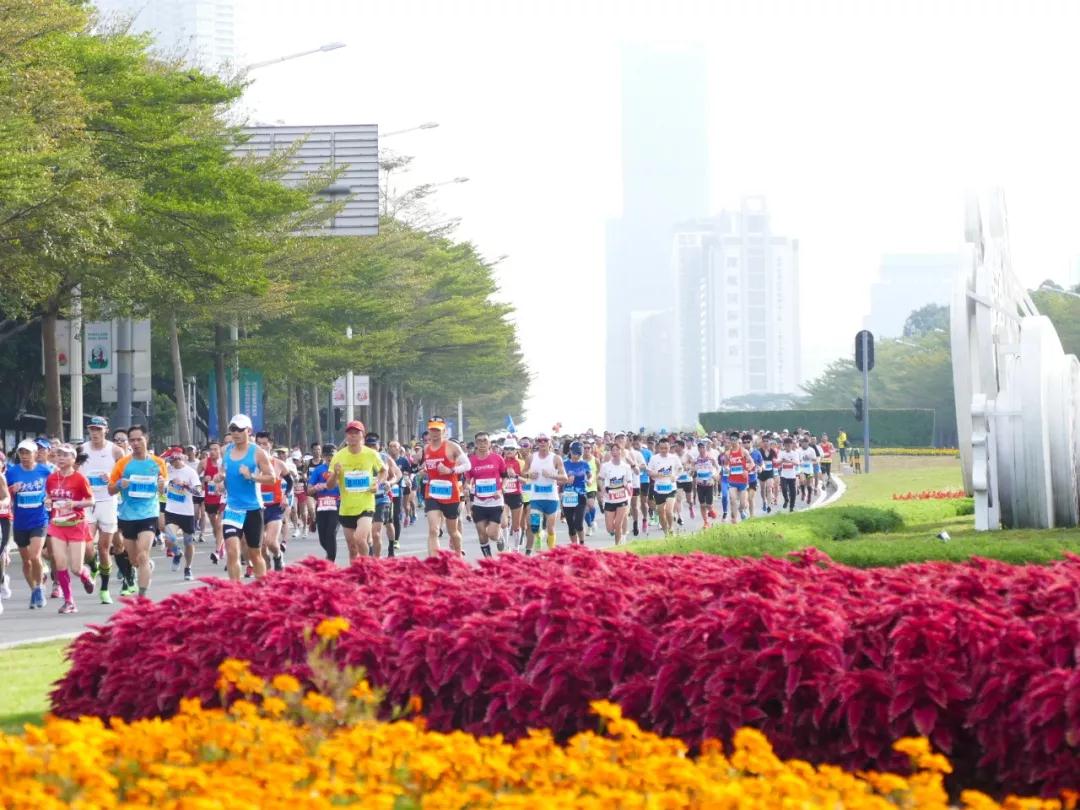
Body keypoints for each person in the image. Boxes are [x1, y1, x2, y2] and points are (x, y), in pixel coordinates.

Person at [214, 415, 275, 582]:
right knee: (232, 551)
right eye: (233, 429)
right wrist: (220, 478)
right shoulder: (226, 451)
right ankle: (236, 591)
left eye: (240, 429)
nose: (236, 433)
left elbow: (272, 478)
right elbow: (223, 471)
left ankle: (262, 587)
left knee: (255, 553)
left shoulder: (258, 452)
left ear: (249, 431)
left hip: (253, 509)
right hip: (233, 509)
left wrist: (251, 476)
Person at [108, 425, 167, 597]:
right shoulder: (122, 464)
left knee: (142, 554)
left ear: (146, 439)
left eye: (138, 439)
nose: (135, 443)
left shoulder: (158, 463)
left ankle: (142, 596)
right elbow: (110, 489)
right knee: (135, 560)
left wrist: (162, 486)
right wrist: (120, 484)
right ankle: (146, 566)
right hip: (127, 515)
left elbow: (163, 489)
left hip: (149, 514)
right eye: (132, 440)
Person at [0, 439, 53, 608]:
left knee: (35, 556)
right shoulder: (12, 472)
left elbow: (53, 490)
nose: (24, 456)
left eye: (27, 452)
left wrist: (49, 498)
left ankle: (39, 588)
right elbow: (4, 494)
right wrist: (11, 490)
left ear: (35, 454)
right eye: (21, 452)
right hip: (20, 522)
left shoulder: (45, 471)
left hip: (39, 519)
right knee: (26, 561)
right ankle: (34, 590)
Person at [43, 444, 94, 614]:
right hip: (57, 524)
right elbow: (49, 496)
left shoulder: (80, 479)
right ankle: (69, 601)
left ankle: (85, 575)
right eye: (59, 455)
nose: (61, 458)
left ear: (73, 459)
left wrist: (75, 503)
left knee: (76, 568)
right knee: (60, 563)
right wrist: (48, 501)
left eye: (65, 455)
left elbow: (91, 500)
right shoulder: (51, 478)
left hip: (76, 524)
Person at [327, 421, 385, 561]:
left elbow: (383, 471)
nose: (353, 436)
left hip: (366, 505)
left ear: (362, 435)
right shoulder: (338, 456)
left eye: (356, 433)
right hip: (346, 508)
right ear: (346, 436)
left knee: (360, 539)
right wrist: (335, 474)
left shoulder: (371, 454)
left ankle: (366, 565)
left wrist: (377, 483)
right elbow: (329, 485)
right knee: (352, 548)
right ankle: (355, 572)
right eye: (350, 433)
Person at [82, 415, 124, 603]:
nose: (95, 433)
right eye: (92, 429)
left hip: (108, 501)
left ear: (106, 430)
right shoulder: (81, 450)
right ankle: (93, 565)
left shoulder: (115, 450)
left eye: (98, 429)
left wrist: (112, 478)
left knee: (104, 547)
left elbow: (124, 474)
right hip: (87, 502)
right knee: (86, 546)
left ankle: (104, 589)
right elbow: (72, 471)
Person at [421, 416, 471, 557]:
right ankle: (434, 561)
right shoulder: (426, 448)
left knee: (453, 532)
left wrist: (451, 470)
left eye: (438, 430)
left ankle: (458, 555)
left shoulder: (452, 446)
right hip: (432, 492)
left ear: (443, 431)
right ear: (428, 431)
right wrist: (425, 470)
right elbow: (429, 465)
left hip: (450, 494)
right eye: (432, 429)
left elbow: (467, 465)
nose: (435, 433)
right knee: (433, 530)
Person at [162, 446, 201, 581]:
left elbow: (198, 491)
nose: (171, 462)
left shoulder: (190, 472)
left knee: (188, 542)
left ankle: (188, 568)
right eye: (169, 459)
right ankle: (177, 553)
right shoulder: (168, 470)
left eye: (172, 459)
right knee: (169, 539)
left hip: (186, 513)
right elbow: (161, 484)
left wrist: (185, 485)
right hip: (171, 510)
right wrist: (166, 483)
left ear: (179, 458)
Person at [466, 432, 508, 557]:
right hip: (479, 502)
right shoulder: (471, 461)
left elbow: (505, 477)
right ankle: (488, 560)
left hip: (495, 501)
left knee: (492, 535)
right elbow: (468, 480)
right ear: (476, 443)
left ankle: (499, 537)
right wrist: (467, 486)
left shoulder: (498, 458)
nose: (482, 443)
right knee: (481, 534)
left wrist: (501, 489)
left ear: (489, 443)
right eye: (479, 441)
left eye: (485, 440)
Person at [525, 432, 567, 553]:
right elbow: (523, 472)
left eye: (545, 440)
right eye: (540, 440)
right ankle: (538, 537)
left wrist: (551, 475)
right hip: (536, 497)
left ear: (550, 442)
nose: (542, 443)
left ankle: (551, 552)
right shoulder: (531, 457)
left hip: (551, 498)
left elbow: (564, 477)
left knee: (550, 528)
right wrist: (529, 474)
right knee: (534, 526)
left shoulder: (556, 458)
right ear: (537, 442)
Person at [254, 432, 288, 572]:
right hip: (257, 507)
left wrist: (286, 496)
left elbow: (290, 482)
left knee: (270, 541)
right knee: (261, 546)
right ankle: (267, 571)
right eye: (259, 444)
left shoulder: (278, 464)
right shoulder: (252, 464)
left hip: (275, 507)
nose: (262, 447)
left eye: (264, 444)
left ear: (271, 445)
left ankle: (278, 555)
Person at [308, 444, 340, 561]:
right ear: (323, 456)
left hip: (337, 505)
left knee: (331, 533)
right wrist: (316, 487)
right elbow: (309, 490)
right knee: (322, 538)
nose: (330, 458)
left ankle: (331, 561)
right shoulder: (318, 470)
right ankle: (330, 555)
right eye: (327, 455)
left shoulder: (342, 469)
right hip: (322, 506)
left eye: (332, 455)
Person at [647, 436, 683, 537]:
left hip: (671, 488)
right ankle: (666, 533)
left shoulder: (674, 458)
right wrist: (657, 474)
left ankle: (671, 528)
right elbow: (649, 472)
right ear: (658, 448)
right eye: (661, 448)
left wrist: (676, 476)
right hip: (658, 490)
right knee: (661, 513)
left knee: (668, 511)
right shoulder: (654, 458)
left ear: (669, 447)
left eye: (666, 448)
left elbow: (680, 469)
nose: (664, 450)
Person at [598, 443, 634, 545]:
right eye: (612, 450)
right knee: (610, 528)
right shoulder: (605, 466)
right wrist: (602, 489)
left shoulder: (626, 467)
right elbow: (600, 478)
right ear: (610, 452)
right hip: (609, 499)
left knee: (618, 524)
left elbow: (629, 481)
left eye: (617, 450)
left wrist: (628, 486)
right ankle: (614, 533)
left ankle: (617, 545)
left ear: (621, 452)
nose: (615, 452)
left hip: (622, 498)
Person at [201, 441, 226, 566]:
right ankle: (220, 543)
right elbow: (195, 478)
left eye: (215, 449)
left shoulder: (224, 462)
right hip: (209, 497)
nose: (213, 451)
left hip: (222, 498)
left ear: (220, 450)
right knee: (214, 524)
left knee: (219, 524)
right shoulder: (204, 462)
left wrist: (220, 483)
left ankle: (218, 549)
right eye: (211, 449)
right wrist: (203, 479)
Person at [561, 441, 591, 546]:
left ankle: (581, 544)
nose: (576, 456)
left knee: (578, 523)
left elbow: (590, 475)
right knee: (571, 525)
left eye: (579, 454)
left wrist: (589, 480)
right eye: (574, 453)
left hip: (581, 496)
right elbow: (558, 480)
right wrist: (566, 480)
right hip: (568, 497)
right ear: (570, 451)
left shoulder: (584, 464)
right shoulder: (564, 464)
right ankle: (574, 546)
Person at [500, 440, 525, 550]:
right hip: (504, 496)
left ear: (516, 450)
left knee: (516, 525)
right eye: (506, 449)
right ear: (503, 450)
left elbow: (526, 481)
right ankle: (506, 547)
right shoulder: (500, 462)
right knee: (504, 523)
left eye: (511, 449)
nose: (509, 451)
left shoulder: (521, 463)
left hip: (516, 495)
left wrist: (515, 476)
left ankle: (516, 548)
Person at [778, 436, 800, 512]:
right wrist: (781, 461)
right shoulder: (781, 453)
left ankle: (791, 507)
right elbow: (778, 462)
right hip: (784, 475)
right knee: (784, 489)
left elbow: (797, 463)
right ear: (784, 446)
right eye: (786, 445)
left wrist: (789, 461)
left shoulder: (795, 453)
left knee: (793, 491)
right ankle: (786, 499)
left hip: (792, 475)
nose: (788, 447)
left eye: (789, 445)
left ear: (792, 445)